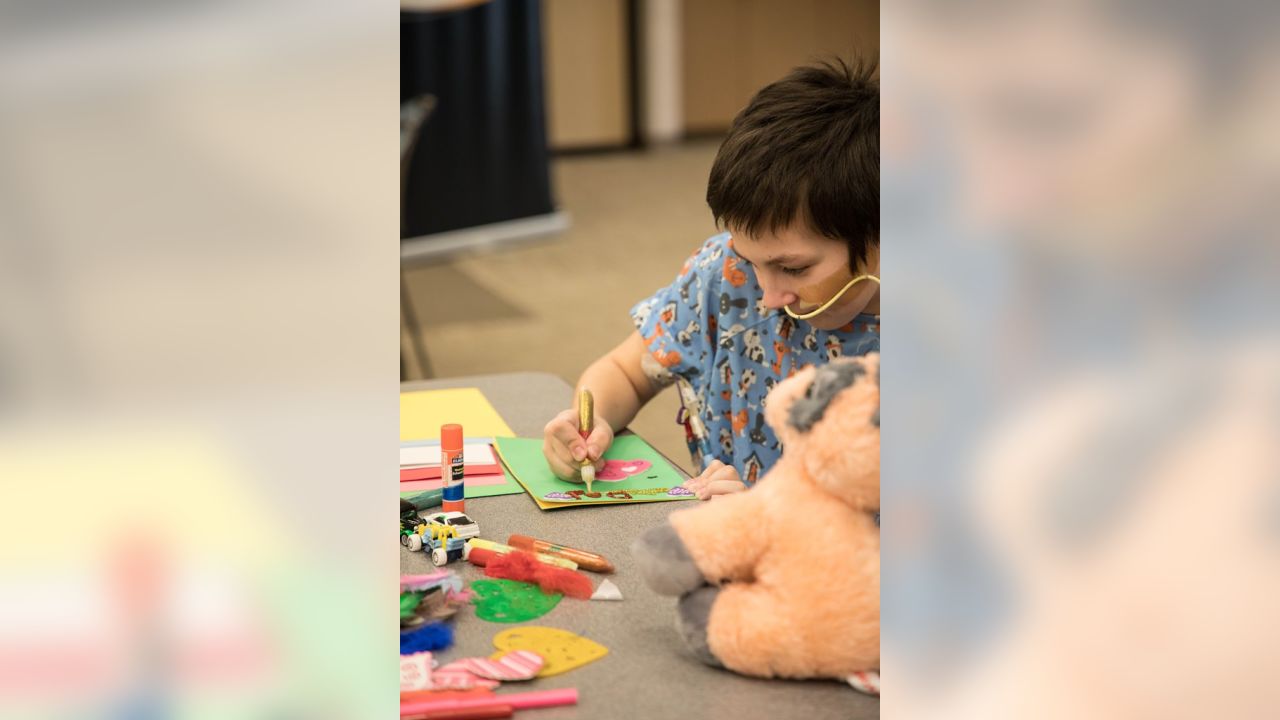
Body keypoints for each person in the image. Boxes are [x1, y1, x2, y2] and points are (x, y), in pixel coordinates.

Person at [543, 58, 880, 499]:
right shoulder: (726, 275)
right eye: (749, 258)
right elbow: (625, 371)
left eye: (794, 268)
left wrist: (765, 527)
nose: (768, 295)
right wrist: (589, 425)